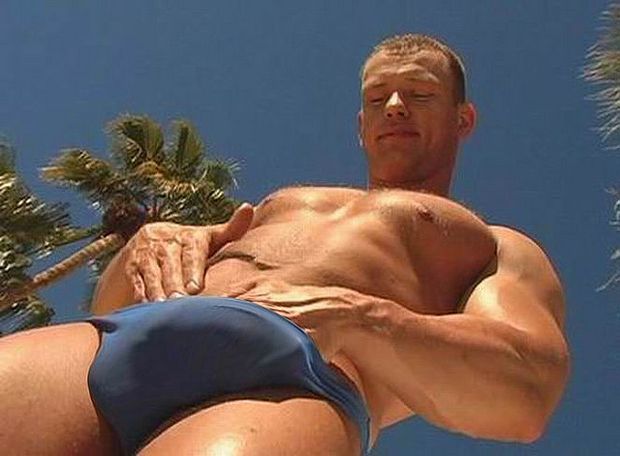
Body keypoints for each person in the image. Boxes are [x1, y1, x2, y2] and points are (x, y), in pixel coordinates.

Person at [0, 34, 569, 455]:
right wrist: (144, 246)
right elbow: (110, 305)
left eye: (419, 93)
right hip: (117, 341)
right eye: (377, 98)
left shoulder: (491, 243)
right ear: (361, 125)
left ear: (463, 119)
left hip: (290, 378)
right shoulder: (276, 206)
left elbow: (526, 390)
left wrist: (364, 318)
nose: (395, 105)